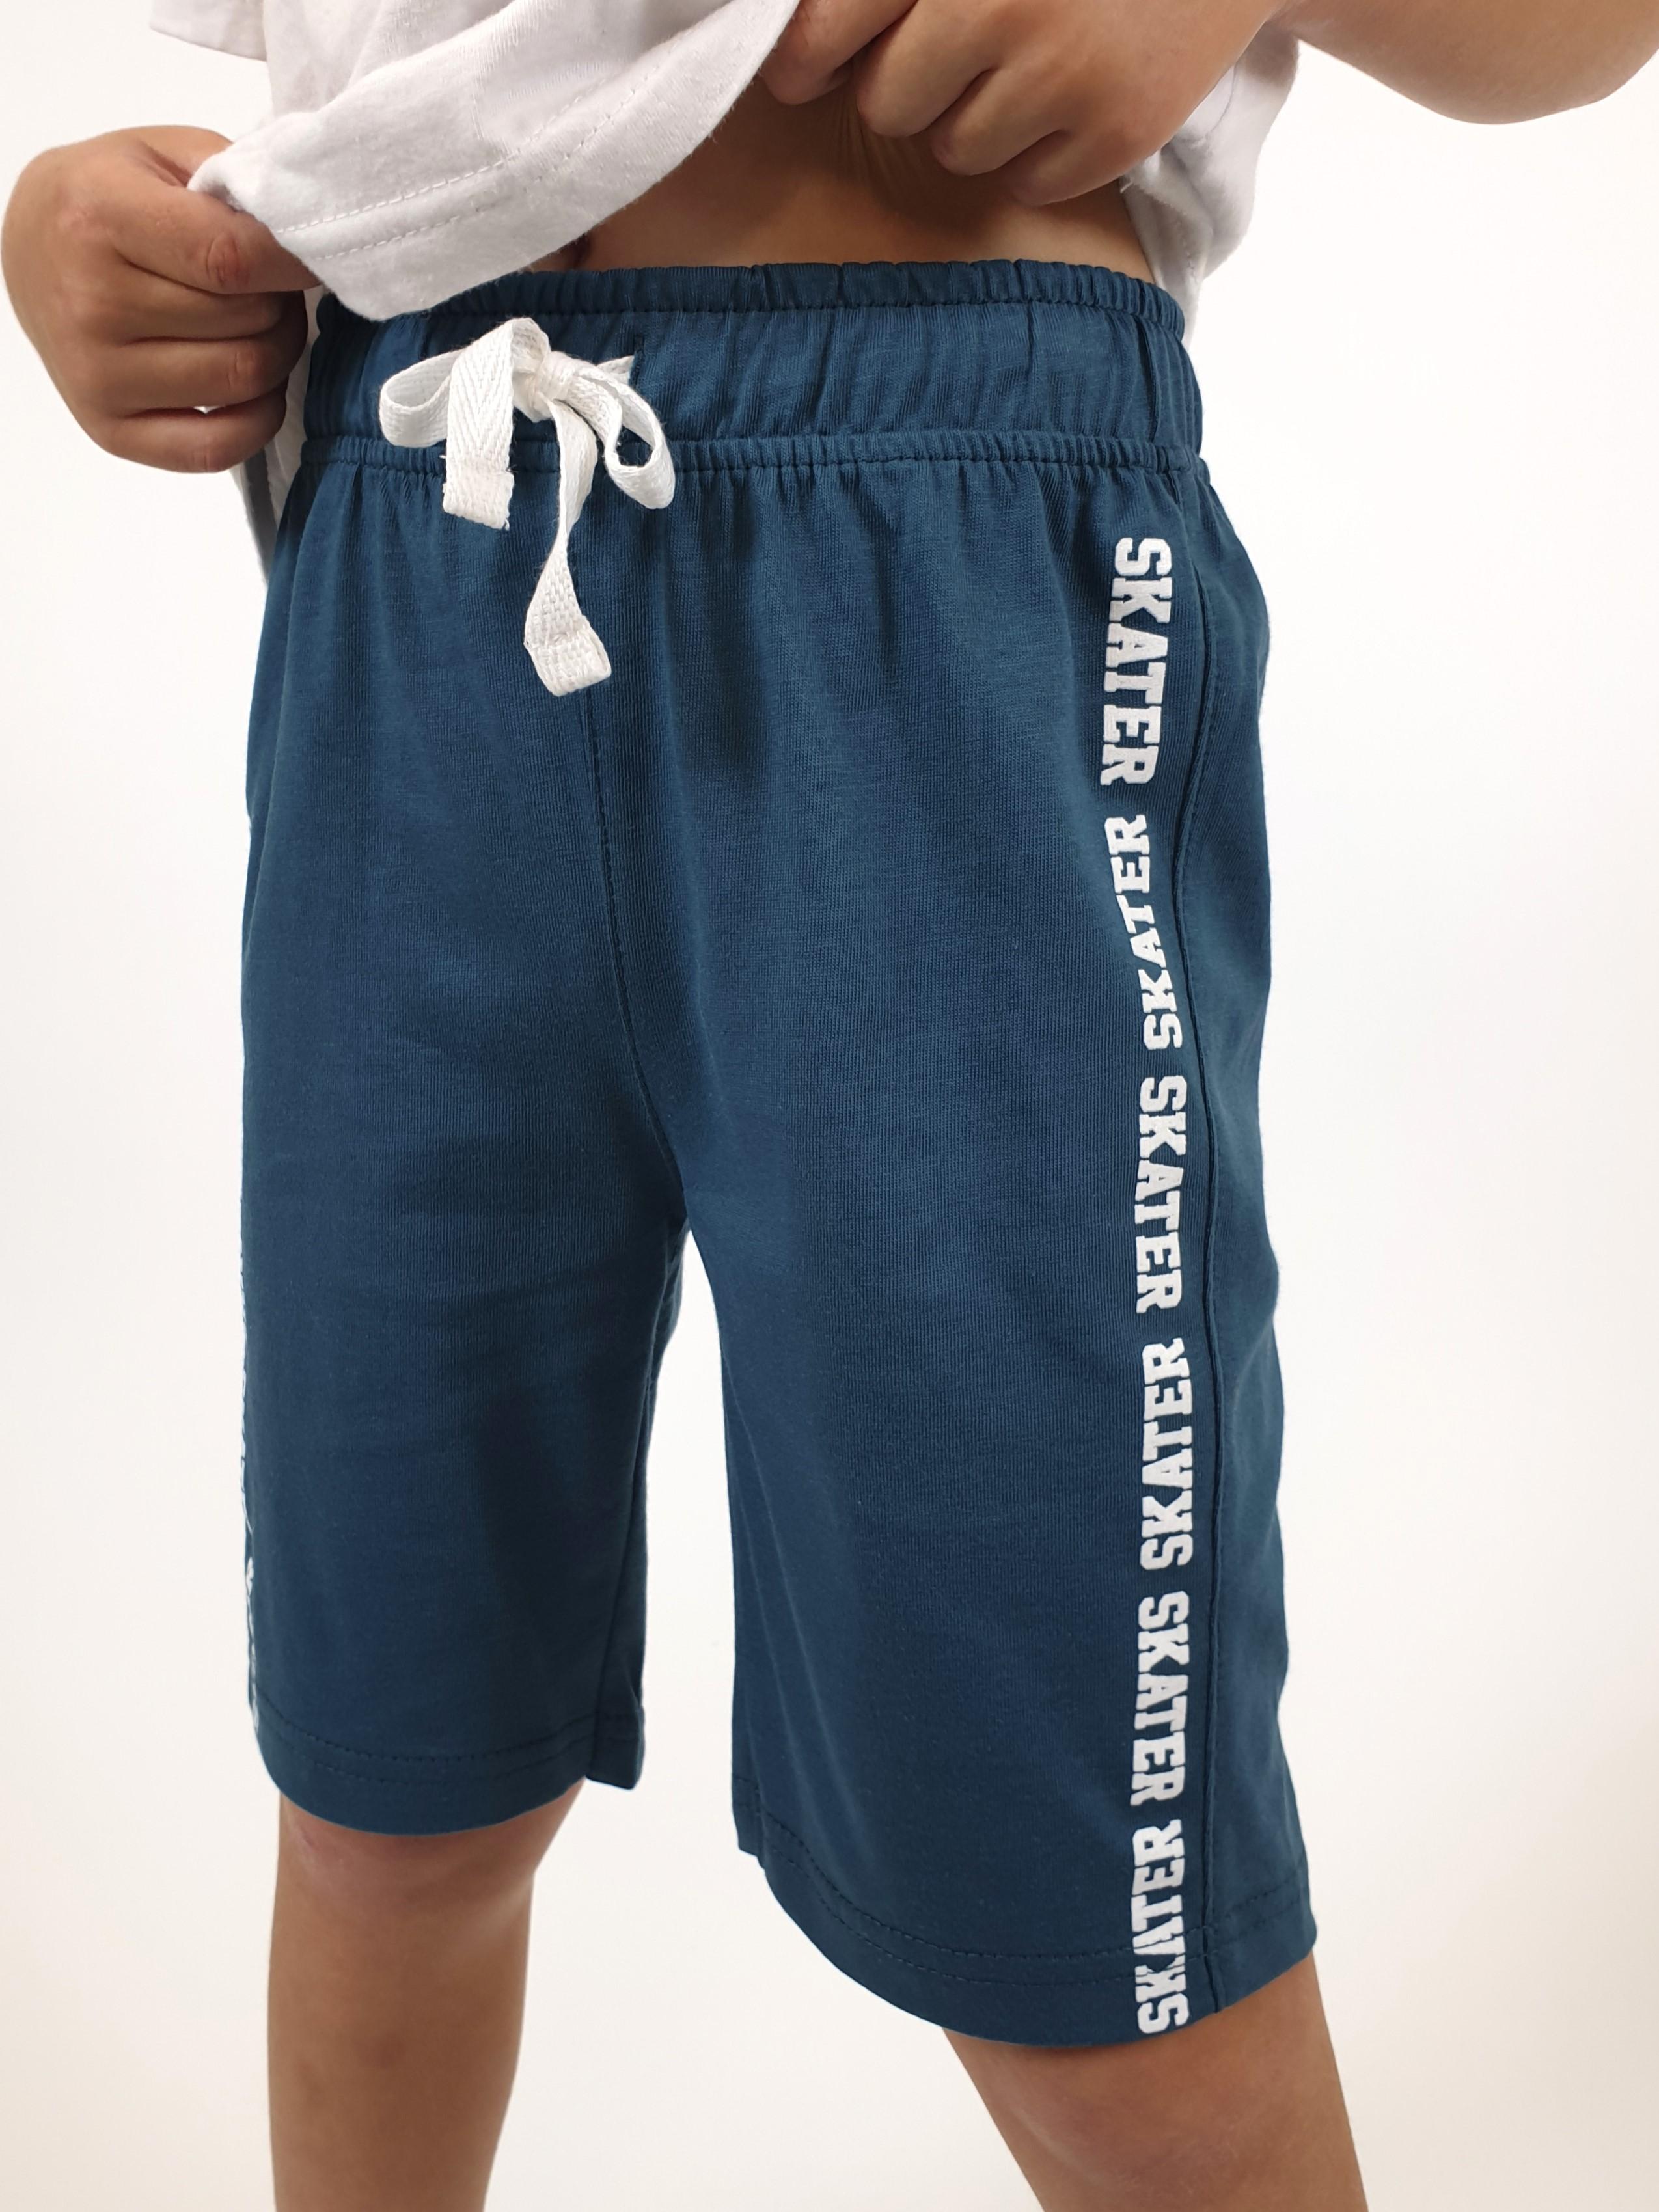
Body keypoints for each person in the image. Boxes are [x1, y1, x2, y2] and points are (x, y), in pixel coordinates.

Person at [3, 5, 1654, 2208]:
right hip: (416, 520)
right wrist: (87, 227)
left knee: (1102, 1938)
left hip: (940, 532)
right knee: (389, 1792)